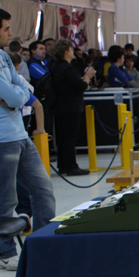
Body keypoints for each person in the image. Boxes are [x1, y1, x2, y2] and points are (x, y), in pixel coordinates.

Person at [0, 7, 56, 271]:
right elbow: (18, 96)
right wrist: (15, 96)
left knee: (43, 191)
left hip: (19, 135)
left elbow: (24, 90)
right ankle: (4, 250)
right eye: (6, 29)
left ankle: (42, 243)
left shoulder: (3, 56)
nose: (11, 33)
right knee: (5, 198)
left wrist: (14, 95)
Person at [47, 39, 96, 176]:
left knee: (62, 137)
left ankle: (63, 165)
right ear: (67, 51)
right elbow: (80, 86)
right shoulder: (68, 68)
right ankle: (71, 166)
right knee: (70, 137)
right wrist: (87, 77)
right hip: (70, 106)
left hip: (59, 105)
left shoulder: (55, 66)